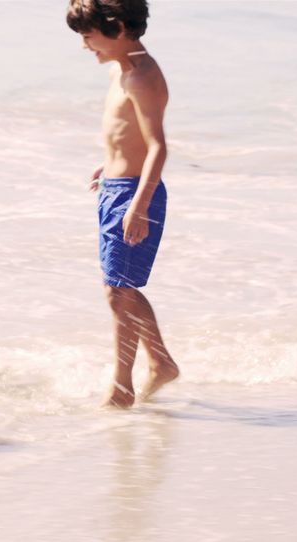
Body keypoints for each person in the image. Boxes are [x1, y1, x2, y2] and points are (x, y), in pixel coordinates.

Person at [67, 0, 179, 408]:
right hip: (117, 188)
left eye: (88, 35)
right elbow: (126, 134)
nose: (85, 45)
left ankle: (121, 386)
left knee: (118, 291)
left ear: (115, 27)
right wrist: (110, 164)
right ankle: (161, 363)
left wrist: (140, 205)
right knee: (121, 289)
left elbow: (157, 147)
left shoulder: (142, 77)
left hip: (134, 194)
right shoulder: (123, 69)